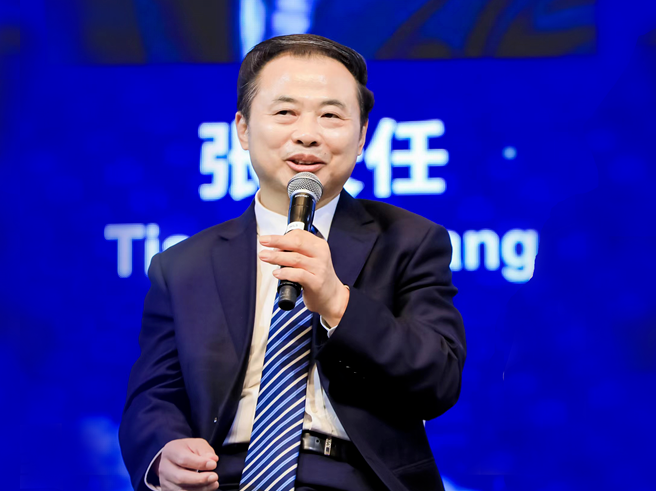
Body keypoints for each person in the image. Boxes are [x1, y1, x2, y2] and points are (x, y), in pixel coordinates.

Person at [119, 34, 466, 491]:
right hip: (223, 478)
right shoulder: (183, 265)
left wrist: (338, 302)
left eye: (330, 115)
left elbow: (438, 379)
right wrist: (164, 451)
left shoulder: (410, 241)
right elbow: (154, 394)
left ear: (362, 136)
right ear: (243, 129)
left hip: (354, 479)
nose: (307, 134)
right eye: (285, 112)